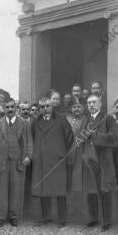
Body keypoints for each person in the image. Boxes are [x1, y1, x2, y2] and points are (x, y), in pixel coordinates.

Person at [0, 98, 32, 227]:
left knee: (15, 188)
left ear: (16, 108)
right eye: (7, 107)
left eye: (12, 107)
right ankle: (1, 216)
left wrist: (28, 156)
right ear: (4, 108)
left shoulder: (24, 123)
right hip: (2, 161)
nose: (10, 109)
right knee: (1, 188)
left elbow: (29, 140)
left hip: (18, 160)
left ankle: (14, 216)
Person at [31, 97, 74, 227]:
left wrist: (60, 151)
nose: (45, 109)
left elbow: (70, 137)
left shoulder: (61, 119)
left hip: (57, 160)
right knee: (44, 190)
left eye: (48, 106)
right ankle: (46, 217)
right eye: (42, 107)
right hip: (41, 161)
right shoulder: (36, 121)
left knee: (59, 190)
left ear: (52, 106)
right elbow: (33, 138)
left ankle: (62, 219)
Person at [82, 94, 118, 231]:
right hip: (89, 159)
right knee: (91, 189)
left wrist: (95, 136)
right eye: (89, 102)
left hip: (103, 160)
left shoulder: (108, 119)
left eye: (94, 102)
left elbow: (115, 139)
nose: (91, 105)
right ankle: (93, 218)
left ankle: (106, 221)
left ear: (100, 104)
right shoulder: (87, 120)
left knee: (104, 190)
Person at [65, 100, 87, 220]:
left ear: (83, 108)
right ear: (70, 108)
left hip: (80, 155)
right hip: (66, 154)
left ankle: (80, 210)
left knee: (79, 183)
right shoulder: (66, 119)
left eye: (79, 106)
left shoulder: (86, 120)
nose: (77, 109)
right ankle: (68, 210)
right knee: (67, 182)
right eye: (74, 107)